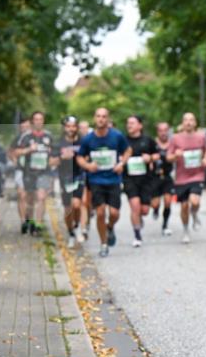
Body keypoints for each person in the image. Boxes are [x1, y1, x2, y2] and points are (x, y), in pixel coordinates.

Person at [77, 107, 131, 257]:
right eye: (98, 116)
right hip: (96, 180)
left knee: (114, 213)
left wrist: (122, 164)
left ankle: (110, 227)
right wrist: (88, 166)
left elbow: (128, 150)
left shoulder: (117, 136)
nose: (101, 119)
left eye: (104, 116)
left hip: (113, 179)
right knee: (100, 213)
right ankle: (104, 244)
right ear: (95, 118)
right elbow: (80, 157)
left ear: (108, 119)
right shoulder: (88, 139)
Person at [12, 111, 58, 235]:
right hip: (29, 172)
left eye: (40, 119)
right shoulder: (26, 137)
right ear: (33, 122)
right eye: (36, 119)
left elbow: (56, 156)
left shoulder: (49, 137)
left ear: (43, 121)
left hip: (44, 172)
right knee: (30, 199)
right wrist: (28, 149)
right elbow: (16, 153)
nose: (38, 121)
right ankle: (30, 221)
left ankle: (38, 224)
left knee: (41, 197)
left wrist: (53, 162)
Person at [166, 112, 206, 244]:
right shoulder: (175, 138)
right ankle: (185, 230)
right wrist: (175, 155)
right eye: (186, 120)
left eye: (191, 120)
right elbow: (168, 157)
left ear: (195, 123)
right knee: (184, 206)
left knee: (195, 202)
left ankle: (194, 213)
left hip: (197, 175)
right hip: (181, 178)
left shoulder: (201, 137)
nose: (189, 122)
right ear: (182, 123)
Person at [123, 115, 158, 247]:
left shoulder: (147, 140)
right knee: (135, 207)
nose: (129, 125)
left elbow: (157, 154)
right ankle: (137, 236)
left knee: (144, 210)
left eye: (132, 123)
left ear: (140, 126)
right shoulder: (123, 141)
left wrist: (150, 158)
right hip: (129, 179)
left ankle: (139, 219)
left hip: (145, 180)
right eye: (128, 123)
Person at [58, 115, 85, 247]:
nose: (71, 129)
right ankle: (70, 233)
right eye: (68, 126)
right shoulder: (59, 143)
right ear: (64, 128)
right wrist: (63, 157)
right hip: (64, 178)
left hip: (79, 176)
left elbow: (89, 157)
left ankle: (78, 225)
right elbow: (51, 161)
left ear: (77, 127)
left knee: (77, 205)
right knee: (68, 209)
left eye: (73, 126)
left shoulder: (83, 141)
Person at [149, 121, 175, 236]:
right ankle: (155, 209)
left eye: (165, 130)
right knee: (155, 204)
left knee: (168, 201)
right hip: (154, 177)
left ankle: (165, 225)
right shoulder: (152, 143)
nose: (163, 133)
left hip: (168, 176)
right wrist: (150, 159)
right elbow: (146, 156)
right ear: (157, 131)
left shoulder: (172, 143)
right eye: (161, 130)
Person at [8, 117, 31, 232]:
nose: (24, 129)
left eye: (26, 126)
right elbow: (10, 152)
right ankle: (23, 222)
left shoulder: (36, 138)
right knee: (21, 195)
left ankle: (30, 218)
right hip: (20, 171)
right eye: (22, 127)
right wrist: (14, 159)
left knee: (31, 197)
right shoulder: (17, 139)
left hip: (34, 172)